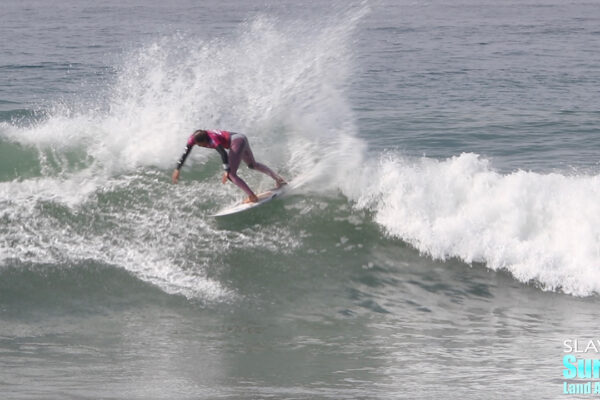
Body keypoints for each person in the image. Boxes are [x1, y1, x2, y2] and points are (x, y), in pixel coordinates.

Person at [172, 129, 286, 203]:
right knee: (252, 165)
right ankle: (279, 179)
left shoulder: (212, 139)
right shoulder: (193, 139)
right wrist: (178, 169)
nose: (200, 146)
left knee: (231, 175)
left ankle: (252, 197)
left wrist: (226, 170)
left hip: (236, 142)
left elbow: (223, 153)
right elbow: (186, 152)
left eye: (201, 144)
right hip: (241, 137)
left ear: (205, 140)